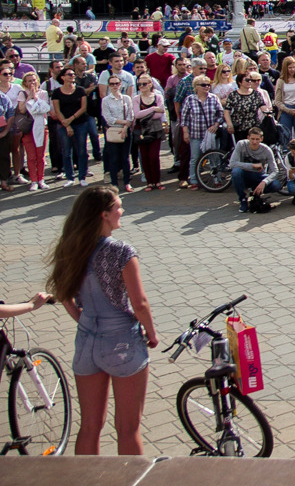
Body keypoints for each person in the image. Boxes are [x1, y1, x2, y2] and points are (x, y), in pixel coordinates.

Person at [47, 185, 157, 455]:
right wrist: (152, 334)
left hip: (86, 342)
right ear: (103, 215)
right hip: (122, 341)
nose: (122, 210)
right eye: (118, 207)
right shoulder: (121, 252)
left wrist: (82, 320)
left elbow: (63, 294)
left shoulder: (72, 246)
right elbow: (140, 303)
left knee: (89, 427)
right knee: (128, 428)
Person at [230, 127, 281, 212]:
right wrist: (252, 165)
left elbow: (275, 171)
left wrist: (264, 182)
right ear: (248, 137)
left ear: (261, 139)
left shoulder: (266, 150)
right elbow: (232, 163)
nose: (254, 142)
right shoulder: (241, 144)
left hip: (258, 176)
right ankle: (242, 199)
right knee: (236, 172)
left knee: (276, 185)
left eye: (257, 139)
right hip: (244, 175)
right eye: (252, 139)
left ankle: (256, 193)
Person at [131, 73, 166, 191]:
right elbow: (137, 114)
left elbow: (160, 113)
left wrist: (145, 112)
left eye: (144, 84)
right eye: (139, 84)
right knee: (144, 156)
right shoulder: (136, 98)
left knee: (154, 156)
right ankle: (149, 182)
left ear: (150, 84)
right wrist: (152, 109)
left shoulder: (158, 97)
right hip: (141, 129)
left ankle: (157, 181)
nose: (141, 86)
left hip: (155, 129)